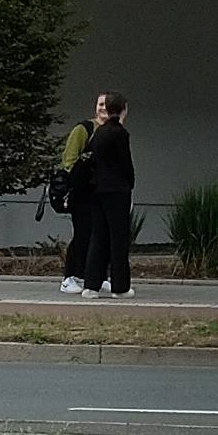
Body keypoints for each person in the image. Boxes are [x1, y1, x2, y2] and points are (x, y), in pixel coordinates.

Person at [78, 92, 137, 299]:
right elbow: (125, 164)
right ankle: (119, 287)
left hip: (97, 190)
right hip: (116, 191)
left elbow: (90, 160)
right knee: (119, 238)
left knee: (98, 236)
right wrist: (130, 183)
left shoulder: (98, 133)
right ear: (122, 110)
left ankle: (91, 285)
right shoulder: (120, 133)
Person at [54, 111, 98, 295]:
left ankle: (96, 275)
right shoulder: (84, 129)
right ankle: (69, 277)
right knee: (82, 233)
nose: (105, 108)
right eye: (101, 104)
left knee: (99, 235)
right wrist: (82, 180)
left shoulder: (113, 132)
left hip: (102, 192)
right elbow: (69, 161)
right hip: (83, 192)